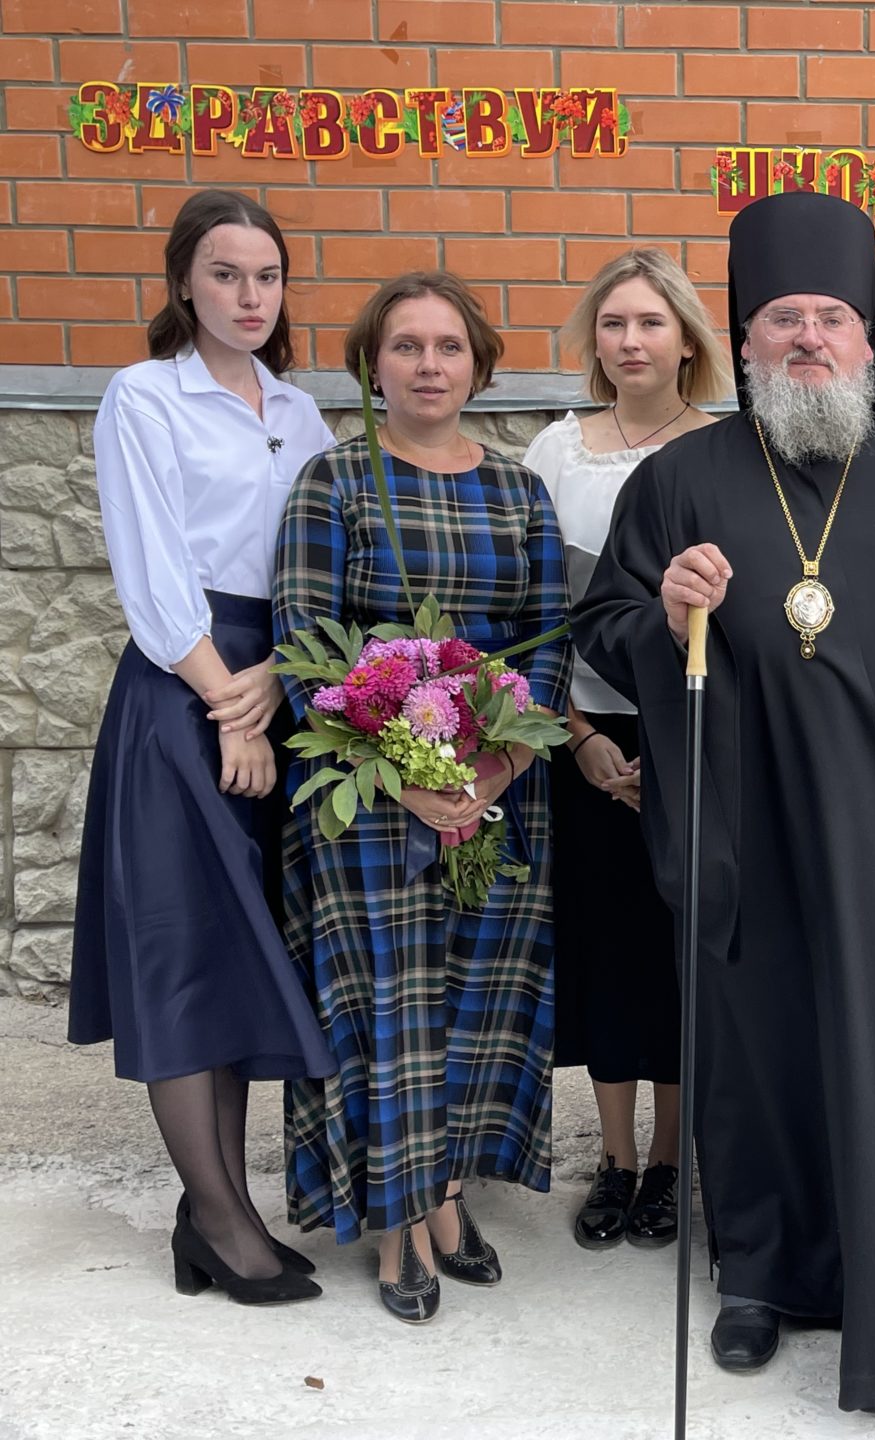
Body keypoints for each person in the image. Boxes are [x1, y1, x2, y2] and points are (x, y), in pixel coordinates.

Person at [573, 189, 875, 1414]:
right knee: (755, 1063)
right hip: (743, 833)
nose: (808, 339)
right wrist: (666, 609)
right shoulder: (679, 480)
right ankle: (758, 1279)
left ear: (868, 339)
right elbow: (603, 625)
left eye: (831, 318)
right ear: (744, 338)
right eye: (783, 318)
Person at [273, 271, 572, 1324]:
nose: (429, 366)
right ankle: (395, 1221)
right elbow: (303, 642)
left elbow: (549, 643)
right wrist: (405, 778)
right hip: (364, 789)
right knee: (386, 1001)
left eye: (449, 347)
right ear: (372, 364)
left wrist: (493, 772)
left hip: (498, 786)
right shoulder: (333, 482)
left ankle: (444, 1191)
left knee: (472, 995)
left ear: (478, 365)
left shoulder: (518, 492)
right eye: (406, 346)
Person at [69, 189, 335, 1306]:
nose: (248, 296)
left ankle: (217, 1209)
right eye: (225, 274)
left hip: (274, 680)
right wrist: (230, 704)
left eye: (266, 276)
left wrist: (281, 680)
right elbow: (151, 564)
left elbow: (316, 561)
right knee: (183, 953)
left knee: (239, 955)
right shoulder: (144, 397)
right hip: (185, 689)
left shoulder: (301, 412)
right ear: (185, 280)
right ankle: (222, 1222)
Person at [522, 249, 728, 1251]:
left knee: (674, 955)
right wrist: (580, 736)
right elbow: (531, 610)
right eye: (613, 324)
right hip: (583, 733)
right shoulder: (557, 451)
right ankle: (613, 1157)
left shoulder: (726, 452)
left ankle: (672, 1161)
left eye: (651, 322)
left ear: (687, 338)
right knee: (606, 954)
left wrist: (683, 743)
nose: (631, 340)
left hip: (692, 736)